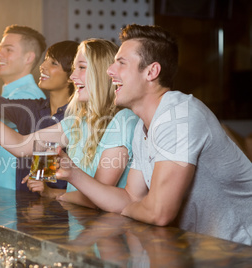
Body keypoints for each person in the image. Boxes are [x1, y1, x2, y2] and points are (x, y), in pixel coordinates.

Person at [55, 24, 252, 245]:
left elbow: (159, 212)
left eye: (121, 63)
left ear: (151, 72)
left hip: (241, 249)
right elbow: (131, 197)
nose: (110, 71)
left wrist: (130, 208)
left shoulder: (179, 115)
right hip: (207, 249)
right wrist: (72, 173)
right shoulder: (143, 128)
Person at [0, 38, 139, 208]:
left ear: (101, 72)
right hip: (79, 231)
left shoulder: (123, 119)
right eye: (74, 68)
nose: (73, 76)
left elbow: (98, 197)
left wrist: (60, 195)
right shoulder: (78, 122)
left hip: (106, 235)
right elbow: (20, 145)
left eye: (81, 68)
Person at [0, 40, 79, 192]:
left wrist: (50, 192)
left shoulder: (77, 119)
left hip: (65, 213)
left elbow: (83, 187)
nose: (42, 66)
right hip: (29, 207)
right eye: (45, 60)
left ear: (71, 76)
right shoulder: (35, 108)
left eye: (53, 63)